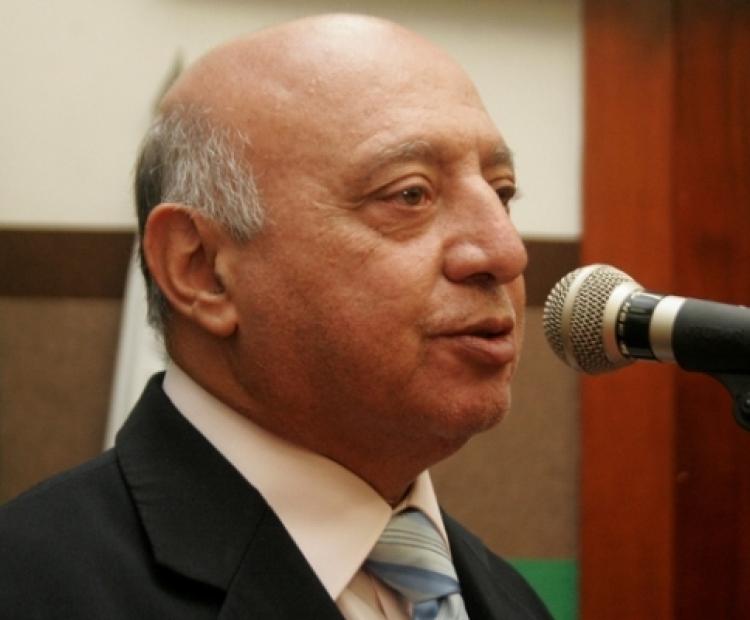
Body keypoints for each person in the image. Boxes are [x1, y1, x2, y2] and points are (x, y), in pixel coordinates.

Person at [0, 13, 552, 620]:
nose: (505, 252)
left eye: (501, 193)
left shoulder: (509, 600)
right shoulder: (31, 588)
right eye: (409, 194)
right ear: (201, 268)